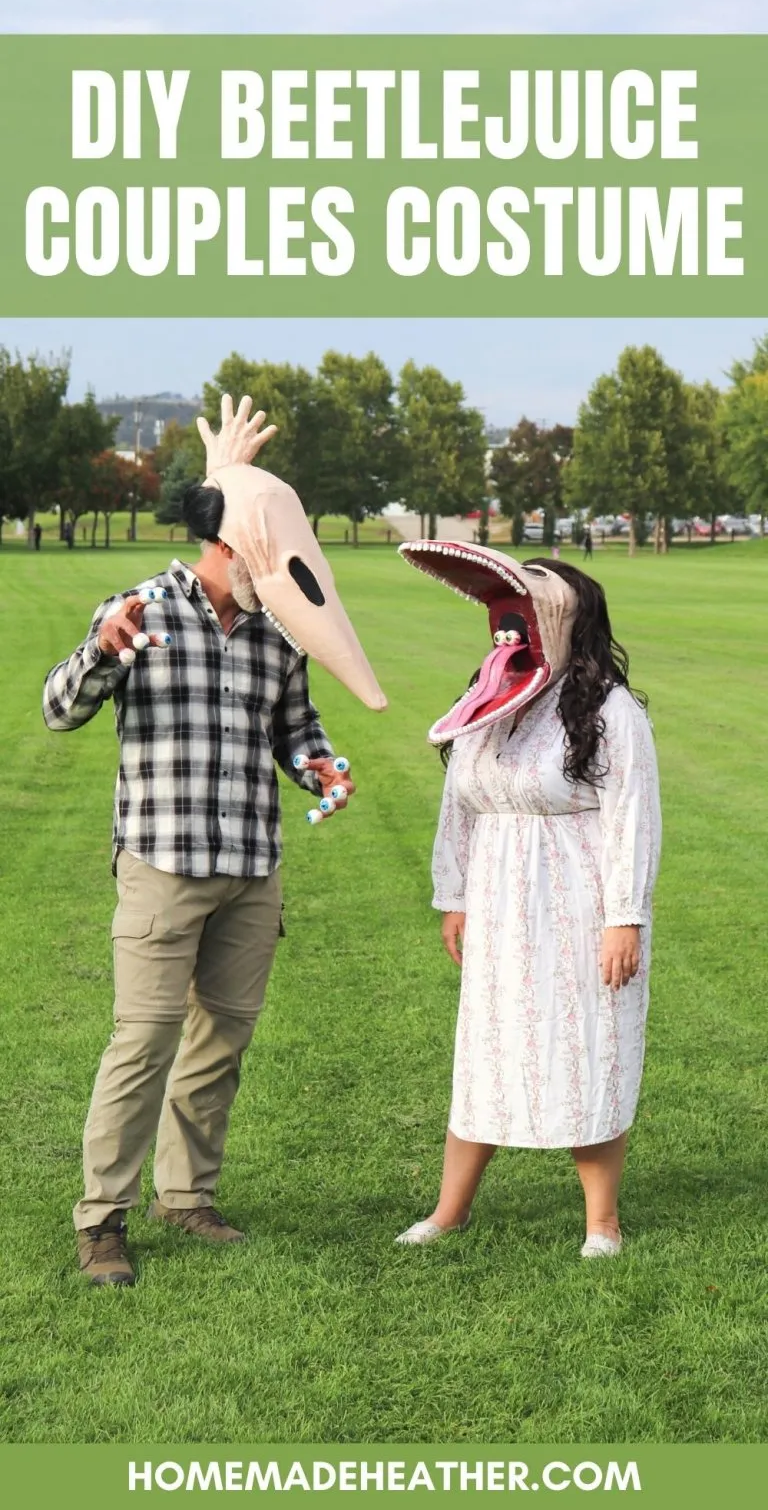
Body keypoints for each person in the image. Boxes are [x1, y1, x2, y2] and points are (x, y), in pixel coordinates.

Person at [42, 397, 385, 1287]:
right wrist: (103, 651)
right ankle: (101, 1224)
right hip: (162, 867)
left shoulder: (279, 631)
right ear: (233, 541)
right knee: (143, 1043)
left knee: (219, 1044)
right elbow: (58, 711)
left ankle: (186, 1197)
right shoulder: (139, 608)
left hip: (251, 873)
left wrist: (323, 770)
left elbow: (296, 731)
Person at [395, 546, 661, 1258]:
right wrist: (454, 895)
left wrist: (624, 918)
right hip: (500, 902)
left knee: (588, 1046)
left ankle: (601, 1221)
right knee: (488, 1046)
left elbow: (633, 816)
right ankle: (450, 1211)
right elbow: (460, 805)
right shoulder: (489, 698)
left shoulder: (610, 711)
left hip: (581, 903)